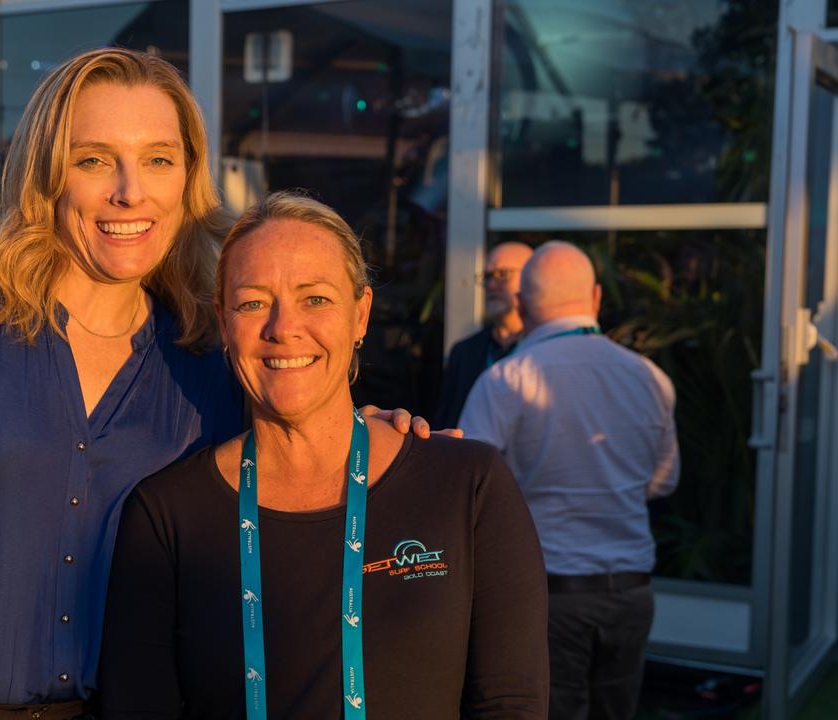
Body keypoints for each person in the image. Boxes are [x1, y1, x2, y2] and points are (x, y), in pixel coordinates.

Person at [0, 49, 427, 720]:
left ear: (188, 178)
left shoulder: (202, 363)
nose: (130, 192)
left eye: (159, 159)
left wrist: (375, 436)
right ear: (47, 175)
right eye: (93, 159)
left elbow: (279, 489)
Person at [97, 192, 548, 720]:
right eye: (253, 302)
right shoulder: (168, 514)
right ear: (223, 323)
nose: (283, 328)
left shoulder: (467, 485)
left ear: (361, 315)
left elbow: (510, 703)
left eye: (315, 299)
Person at [458, 241, 680, 720]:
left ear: (520, 304)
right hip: (631, 592)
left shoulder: (505, 381)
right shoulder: (651, 378)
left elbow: (465, 493)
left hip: (547, 595)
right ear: (596, 297)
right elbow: (663, 482)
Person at [433, 241, 532, 428]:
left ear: (530, 279)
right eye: (487, 276)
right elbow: (445, 424)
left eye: (503, 275)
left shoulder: (545, 349)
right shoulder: (464, 353)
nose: (492, 285)